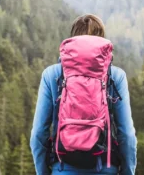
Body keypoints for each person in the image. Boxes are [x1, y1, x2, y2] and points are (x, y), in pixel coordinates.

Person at [30, 14, 137, 175]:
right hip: (105, 168)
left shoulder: (51, 74)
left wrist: (44, 172)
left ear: (73, 40)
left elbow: (38, 133)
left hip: (63, 168)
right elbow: (127, 135)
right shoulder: (116, 76)